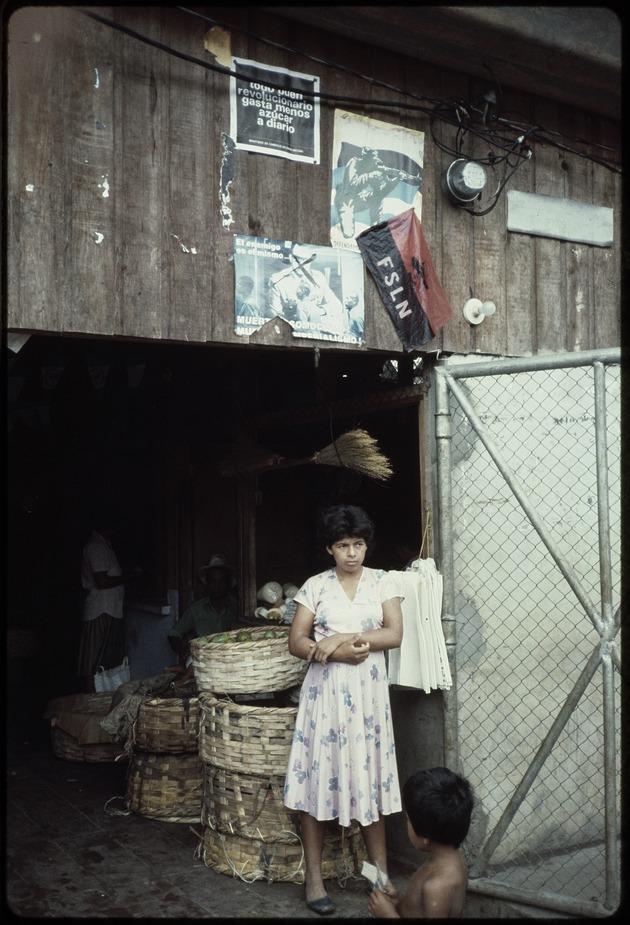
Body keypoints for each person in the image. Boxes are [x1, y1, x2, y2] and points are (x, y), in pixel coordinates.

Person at [283, 504, 404, 916]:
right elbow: (297, 640)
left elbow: (393, 632)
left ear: (366, 545)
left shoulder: (383, 582)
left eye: (358, 544)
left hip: (368, 702)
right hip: (326, 698)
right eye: (342, 545)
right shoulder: (315, 586)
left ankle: (378, 877)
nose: (351, 553)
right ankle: (314, 878)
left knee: (368, 781)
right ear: (329, 549)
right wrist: (330, 654)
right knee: (318, 782)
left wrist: (343, 638)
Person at [367, 767, 474, 919]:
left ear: (425, 835)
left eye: (408, 820)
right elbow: (418, 908)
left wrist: (388, 915)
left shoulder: (437, 886)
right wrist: (398, 900)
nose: (407, 825)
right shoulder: (453, 860)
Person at [78, 505, 140, 693]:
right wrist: (131, 576)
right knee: (93, 660)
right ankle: (91, 699)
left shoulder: (104, 544)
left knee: (104, 659)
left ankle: (101, 697)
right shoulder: (96, 546)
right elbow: (101, 581)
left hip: (110, 609)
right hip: (101, 609)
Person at [334, 147, 422, 239]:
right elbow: (351, 185)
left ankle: (375, 229)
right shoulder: (354, 163)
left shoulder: (375, 169)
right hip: (345, 200)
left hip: (359, 199)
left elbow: (382, 192)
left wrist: (397, 179)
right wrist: (369, 176)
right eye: (372, 161)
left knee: (378, 198)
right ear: (365, 160)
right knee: (348, 234)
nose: (374, 164)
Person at [167, 553, 237, 664]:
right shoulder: (196, 609)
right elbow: (174, 634)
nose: (216, 585)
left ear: (228, 583)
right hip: (204, 662)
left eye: (221, 581)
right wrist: (182, 650)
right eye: (212, 581)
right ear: (207, 583)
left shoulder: (237, 607)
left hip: (232, 660)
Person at [267, 243, 347, 337]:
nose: (302, 264)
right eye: (298, 260)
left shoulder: (318, 278)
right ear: (291, 258)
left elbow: (337, 305)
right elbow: (274, 315)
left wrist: (318, 311)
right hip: (291, 334)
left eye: (306, 261)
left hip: (317, 333)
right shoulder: (278, 280)